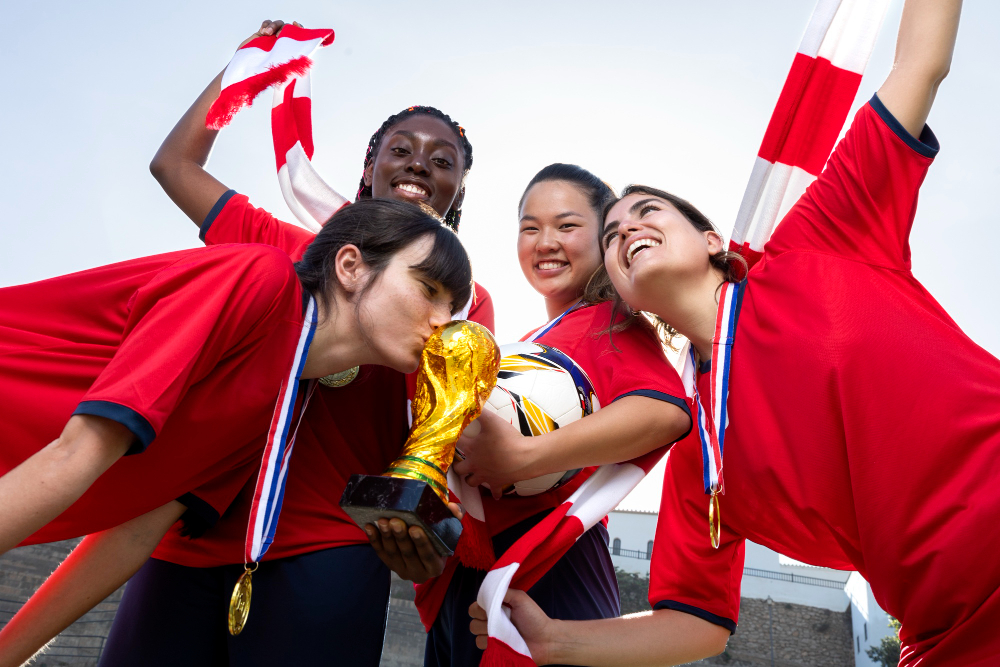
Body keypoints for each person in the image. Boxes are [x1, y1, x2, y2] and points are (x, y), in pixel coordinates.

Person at [470, 2, 999, 665]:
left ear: (714, 240)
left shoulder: (821, 237)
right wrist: (553, 639)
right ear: (621, 288)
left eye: (647, 212)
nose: (627, 228)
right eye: (611, 237)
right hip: (952, 628)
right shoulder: (701, 455)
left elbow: (920, 65)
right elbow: (696, 621)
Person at [84, 19, 491, 666]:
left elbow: (441, 436)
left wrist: (421, 506)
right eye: (401, 148)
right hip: (192, 530)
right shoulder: (285, 246)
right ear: (369, 166)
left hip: (328, 548)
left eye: (443, 162)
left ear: (457, 192)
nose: (420, 162)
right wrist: (246, 68)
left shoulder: (462, 305)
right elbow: (174, 164)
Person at [0, 197, 473, 667]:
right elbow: (76, 452)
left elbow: (130, 537)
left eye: (453, 307)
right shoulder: (258, 278)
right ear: (350, 266)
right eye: (427, 287)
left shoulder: (272, 409)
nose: (442, 321)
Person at [417, 164, 692, 666]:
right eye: (530, 227)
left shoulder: (608, 321)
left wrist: (521, 455)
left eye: (566, 226)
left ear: (607, 239)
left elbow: (664, 411)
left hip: (548, 563)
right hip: (478, 570)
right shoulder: (540, 341)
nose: (545, 241)